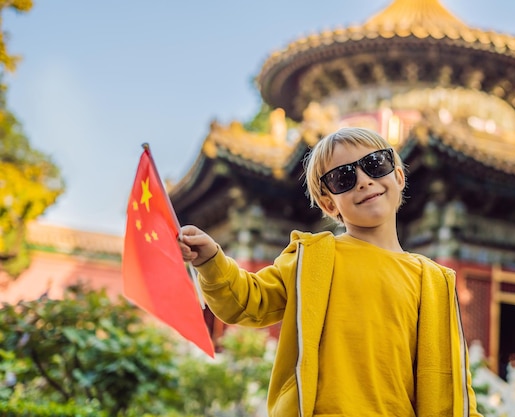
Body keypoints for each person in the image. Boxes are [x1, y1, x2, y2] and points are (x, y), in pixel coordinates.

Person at [179, 127, 482, 417]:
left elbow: (453, 383)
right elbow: (247, 301)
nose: (363, 181)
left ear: (399, 176)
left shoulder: (432, 281)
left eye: (375, 165)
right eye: (343, 178)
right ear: (329, 203)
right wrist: (211, 260)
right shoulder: (312, 258)